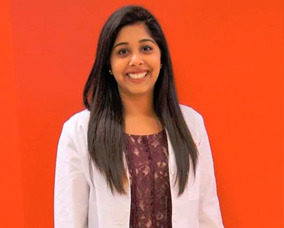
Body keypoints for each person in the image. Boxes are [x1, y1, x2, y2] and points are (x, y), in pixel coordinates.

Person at [54, 5, 224, 228]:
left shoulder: (191, 124)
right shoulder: (80, 132)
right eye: (123, 51)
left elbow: (207, 214)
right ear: (109, 63)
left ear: (161, 57)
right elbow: (70, 221)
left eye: (146, 48)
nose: (136, 60)